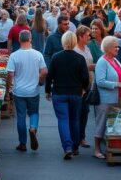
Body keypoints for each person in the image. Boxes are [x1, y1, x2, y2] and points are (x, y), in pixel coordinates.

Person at [45, 31, 89, 160]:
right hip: (76, 93)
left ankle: (67, 147)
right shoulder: (80, 58)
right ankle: (75, 146)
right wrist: (84, 88)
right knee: (74, 119)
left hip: (59, 93)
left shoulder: (56, 57)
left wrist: (48, 90)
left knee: (63, 120)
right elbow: (85, 77)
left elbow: (50, 76)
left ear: (63, 42)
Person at [7, 31, 47, 152]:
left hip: (19, 91)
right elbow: (44, 71)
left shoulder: (14, 56)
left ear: (19, 40)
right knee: (34, 112)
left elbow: (10, 74)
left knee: (21, 116)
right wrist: (40, 81)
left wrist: (9, 87)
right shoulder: (38, 54)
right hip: (33, 90)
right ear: (30, 39)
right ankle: (33, 128)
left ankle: (22, 143)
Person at [93, 35, 121, 159]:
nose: (118, 49)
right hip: (106, 99)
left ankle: (112, 146)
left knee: (114, 124)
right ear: (109, 48)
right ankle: (97, 149)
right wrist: (118, 84)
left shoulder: (114, 60)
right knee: (102, 122)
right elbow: (100, 81)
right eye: (115, 47)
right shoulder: (102, 61)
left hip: (118, 97)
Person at [73, 25, 96, 150]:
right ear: (80, 36)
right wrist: (90, 67)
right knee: (78, 112)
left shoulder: (87, 48)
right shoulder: (76, 50)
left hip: (88, 84)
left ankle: (82, 137)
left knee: (85, 112)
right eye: (87, 35)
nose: (89, 37)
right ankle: (76, 139)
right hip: (79, 86)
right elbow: (76, 68)